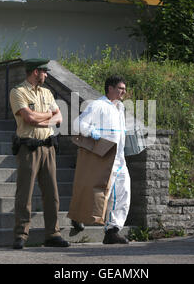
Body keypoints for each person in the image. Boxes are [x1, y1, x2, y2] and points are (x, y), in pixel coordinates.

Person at [10, 58, 70, 249]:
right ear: (35, 72)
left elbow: (60, 116)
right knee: (24, 193)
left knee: (52, 193)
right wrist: (48, 116)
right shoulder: (18, 91)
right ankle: (21, 235)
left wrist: (42, 119)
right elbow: (28, 118)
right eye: (44, 72)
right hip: (29, 148)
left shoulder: (47, 92)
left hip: (48, 146)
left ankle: (53, 234)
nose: (46, 75)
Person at [72, 75, 131, 244]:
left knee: (123, 192)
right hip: (104, 157)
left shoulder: (120, 108)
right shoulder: (97, 105)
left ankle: (112, 230)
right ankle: (79, 215)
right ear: (110, 89)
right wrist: (92, 132)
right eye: (120, 88)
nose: (123, 92)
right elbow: (78, 124)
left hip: (120, 158)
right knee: (98, 192)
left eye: (124, 89)